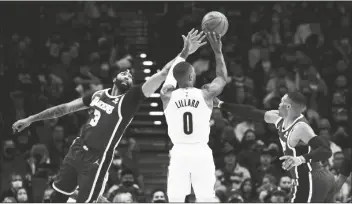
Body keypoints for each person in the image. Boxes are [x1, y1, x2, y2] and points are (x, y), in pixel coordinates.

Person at [11, 33, 196, 203]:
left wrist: (184, 52)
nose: (127, 73)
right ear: (115, 77)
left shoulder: (130, 99)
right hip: (76, 149)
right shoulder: (98, 95)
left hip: (96, 159)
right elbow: (64, 109)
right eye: (124, 71)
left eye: (131, 74)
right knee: (57, 197)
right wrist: (30, 119)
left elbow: (164, 73)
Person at [213, 92, 335, 203]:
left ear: (289, 107)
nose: (279, 104)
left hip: (313, 177)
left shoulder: (300, 128)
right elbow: (251, 112)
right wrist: (221, 104)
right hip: (305, 177)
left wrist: (300, 159)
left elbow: (326, 150)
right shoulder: (279, 118)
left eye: (282, 102)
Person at [161, 31, 227, 202]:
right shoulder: (206, 93)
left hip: (179, 151)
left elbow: (168, 73)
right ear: (192, 76)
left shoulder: (166, 94)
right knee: (205, 198)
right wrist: (217, 51)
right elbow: (221, 77)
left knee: (175, 199)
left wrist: (185, 52)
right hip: (200, 151)